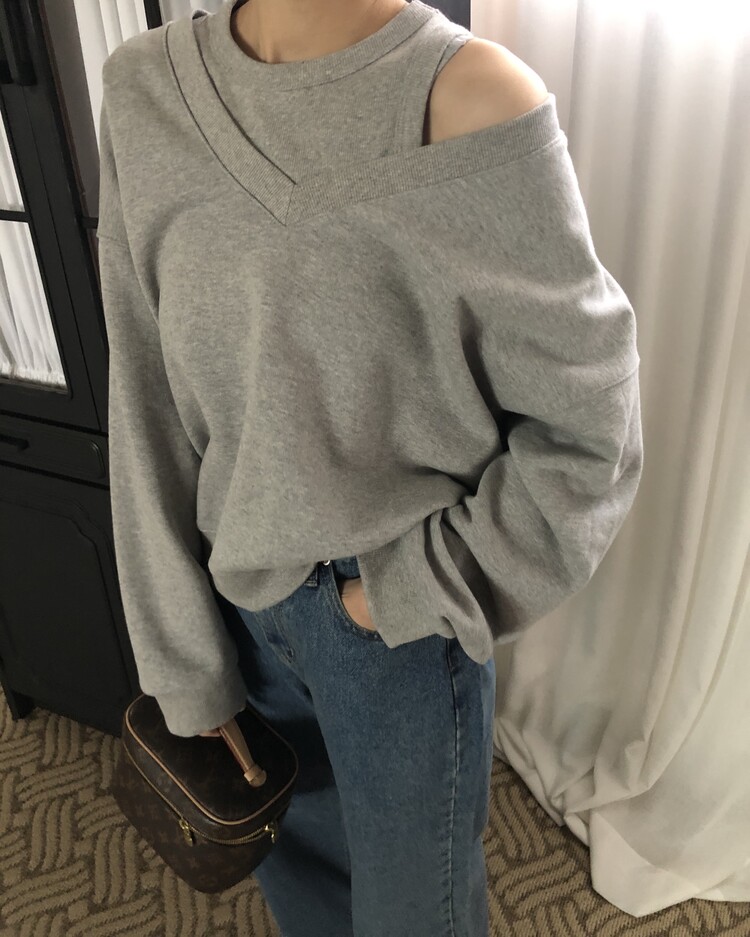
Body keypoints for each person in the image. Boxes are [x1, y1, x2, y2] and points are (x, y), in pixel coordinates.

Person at [97, 0, 643, 934]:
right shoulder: (146, 91)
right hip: (238, 601)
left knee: (415, 918)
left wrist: (395, 596)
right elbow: (142, 395)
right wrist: (180, 656)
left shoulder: (472, 101)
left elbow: (592, 429)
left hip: (397, 631)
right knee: (304, 896)